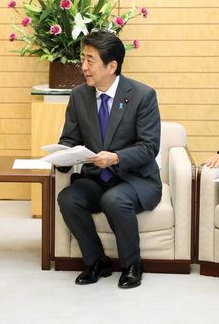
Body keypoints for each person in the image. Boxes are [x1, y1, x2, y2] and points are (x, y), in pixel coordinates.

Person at [56, 30, 162, 289]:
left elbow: (150, 147)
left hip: (135, 179)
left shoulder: (142, 95)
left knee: (113, 199)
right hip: (97, 177)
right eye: (83, 59)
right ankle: (96, 262)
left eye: (90, 60)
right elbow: (70, 138)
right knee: (68, 197)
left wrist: (116, 158)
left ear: (111, 66)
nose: (83, 67)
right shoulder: (79, 96)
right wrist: (61, 156)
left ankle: (132, 264)